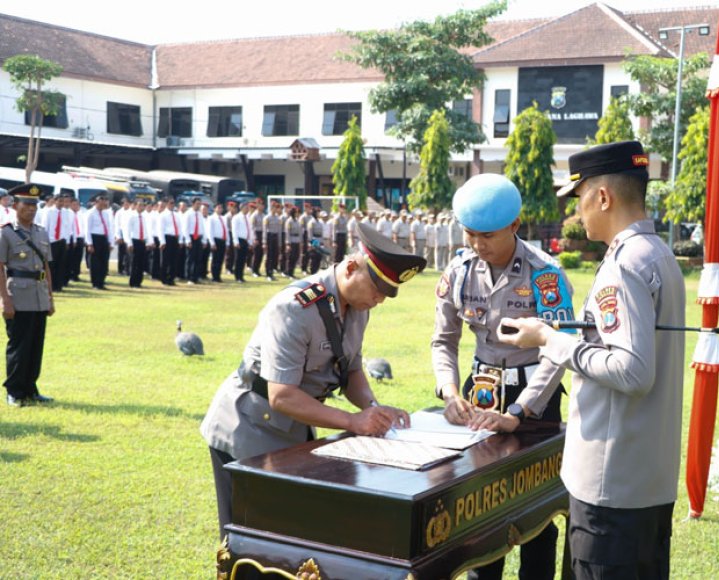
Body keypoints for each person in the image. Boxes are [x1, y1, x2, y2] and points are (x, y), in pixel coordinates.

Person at [497, 141, 686, 580]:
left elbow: (632, 370)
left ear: (603, 197)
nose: (577, 213)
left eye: (579, 199)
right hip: (647, 477)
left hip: (611, 485)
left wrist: (549, 339)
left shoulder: (623, 265)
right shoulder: (658, 255)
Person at [200, 223, 427, 539]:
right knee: (250, 540)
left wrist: (374, 410)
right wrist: (353, 420)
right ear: (350, 268)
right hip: (250, 428)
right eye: (377, 288)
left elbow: (351, 371)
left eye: (386, 293)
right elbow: (282, 395)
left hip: (293, 427)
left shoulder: (359, 308)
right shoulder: (294, 307)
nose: (380, 299)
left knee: (294, 535)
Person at [431, 173, 573, 580]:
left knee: (536, 512)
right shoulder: (459, 270)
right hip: (481, 394)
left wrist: (520, 411)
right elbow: (442, 340)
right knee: (482, 508)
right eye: (470, 234)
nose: (478, 245)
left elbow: (558, 350)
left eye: (488, 235)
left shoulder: (545, 274)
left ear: (514, 225)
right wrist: (450, 392)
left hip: (536, 398)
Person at [0, 184, 55, 407]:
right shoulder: (5, 233)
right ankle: (14, 390)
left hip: (39, 295)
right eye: (27, 204)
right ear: (15, 205)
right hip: (17, 295)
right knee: (19, 346)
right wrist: (4, 299)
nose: (31, 209)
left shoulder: (41, 232)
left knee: (35, 345)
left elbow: (46, 267)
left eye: (34, 205)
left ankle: (31, 388)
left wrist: (50, 298)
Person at [84, 193, 113, 290]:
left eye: (104, 204)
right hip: (95, 238)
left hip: (104, 238)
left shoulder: (105, 213)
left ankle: (101, 282)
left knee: (104, 261)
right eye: (100, 204)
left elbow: (108, 228)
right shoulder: (90, 213)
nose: (102, 206)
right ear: (96, 203)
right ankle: (95, 283)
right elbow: (87, 229)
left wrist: (110, 241)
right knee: (95, 263)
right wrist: (89, 243)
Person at [123, 199, 151, 288]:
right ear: (135, 206)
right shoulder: (131, 216)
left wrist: (148, 242)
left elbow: (146, 230)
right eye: (139, 205)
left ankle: (139, 282)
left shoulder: (144, 217)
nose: (141, 207)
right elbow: (127, 230)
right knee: (134, 263)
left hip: (142, 241)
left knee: (141, 263)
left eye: (142, 205)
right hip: (134, 241)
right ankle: (133, 282)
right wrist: (129, 243)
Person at [207, 203, 228, 283]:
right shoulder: (211, 218)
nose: (220, 209)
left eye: (221, 208)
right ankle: (214, 276)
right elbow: (210, 231)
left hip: (222, 240)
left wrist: (227, 242)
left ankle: (218, 275)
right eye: (218, 208)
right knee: (215, 259)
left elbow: (225, 230)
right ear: (215, 209)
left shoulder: (223, 218)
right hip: (216, 240)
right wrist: (212, 242)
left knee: (220, 259)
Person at [231, 201, 252, 283]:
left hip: (245, 240)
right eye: (246, 208)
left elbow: (249, 230)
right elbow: (234, 230)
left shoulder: (247, 217)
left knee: (243, 259)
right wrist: (235, 241)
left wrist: (250, 242)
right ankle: (237, 276)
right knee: (238, 259)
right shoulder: (236, 217)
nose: (248, 209)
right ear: (242, 208)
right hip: (239, 240)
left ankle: (241, 276)